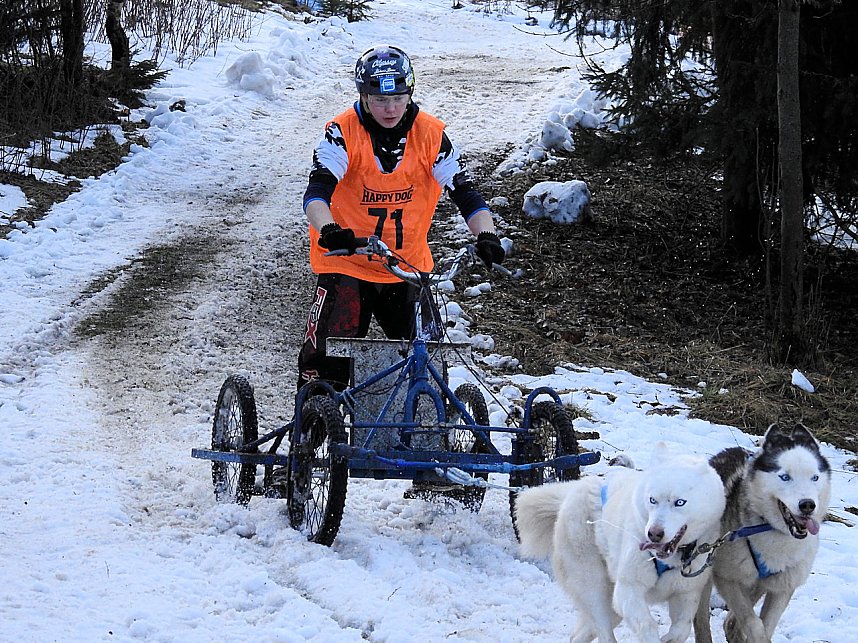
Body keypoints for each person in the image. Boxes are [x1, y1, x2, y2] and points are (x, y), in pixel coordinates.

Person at [297, 44, 505, 392]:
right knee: (326, 362)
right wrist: (330, 229)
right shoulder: (341, 133)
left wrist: (486, 235)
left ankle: (424, 435)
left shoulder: (431, 135)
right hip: (349, 262)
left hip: (407, 266)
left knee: (429, 365)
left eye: (398, 98)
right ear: (363, 96)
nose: (390, 108)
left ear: (410, 93)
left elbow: (465, 193)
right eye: (379, 99)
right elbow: (316, 193)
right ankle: (312, 434)